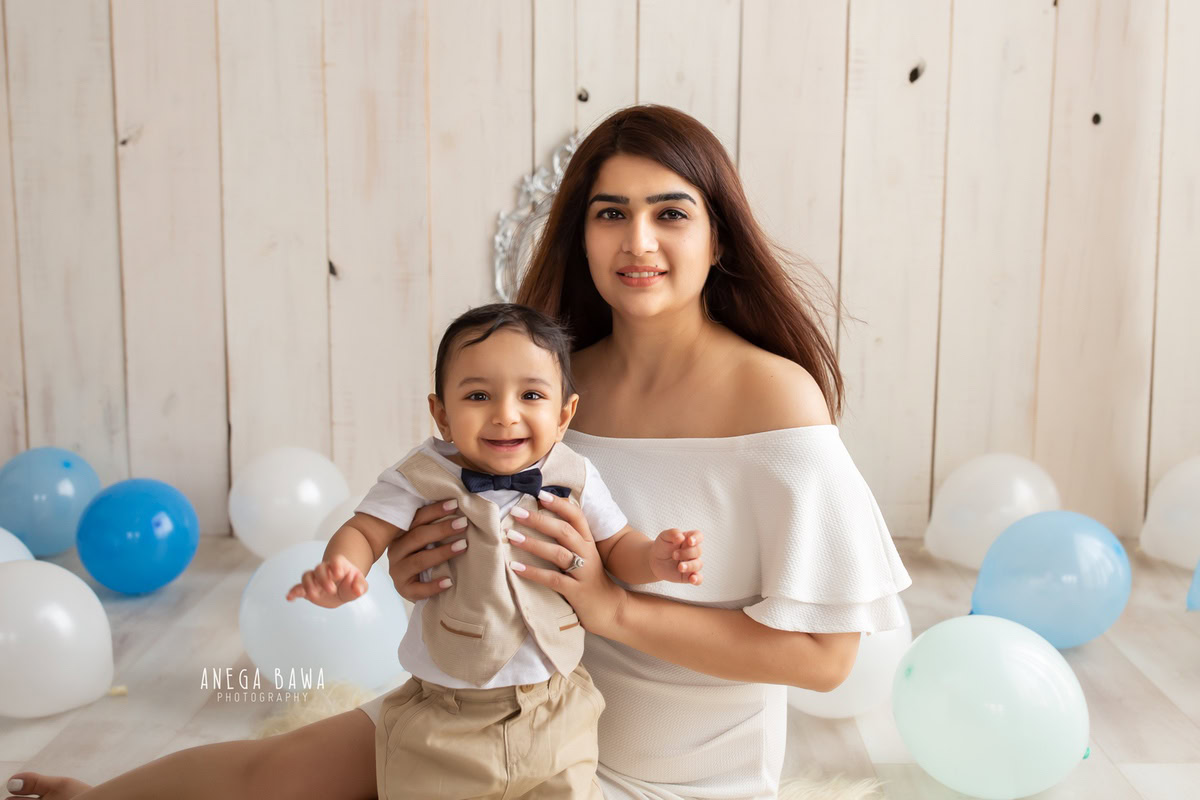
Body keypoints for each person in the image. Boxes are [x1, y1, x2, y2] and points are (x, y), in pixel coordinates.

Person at [7, 104, 910, 800]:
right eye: (610, 214)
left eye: (670, 213)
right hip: (488, 708)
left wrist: (614, 608)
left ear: (718, 237)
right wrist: (422, 568)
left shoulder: (771, 397)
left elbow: (825, 657)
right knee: (276, 775)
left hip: (650, 771)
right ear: (580, 234)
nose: (639, 241)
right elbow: (463, 518)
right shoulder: (550, 389)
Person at [287, 301, 704, 799]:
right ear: (441, 413)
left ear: (564, 413)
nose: (506, 416)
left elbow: (615, 544)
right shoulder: (421, 476)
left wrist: (655, 558)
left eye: (530, 394)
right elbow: (365, 531)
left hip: (556, 706)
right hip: (445, 715)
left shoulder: (575, 475)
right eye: (479, 395)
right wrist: (342, 566)